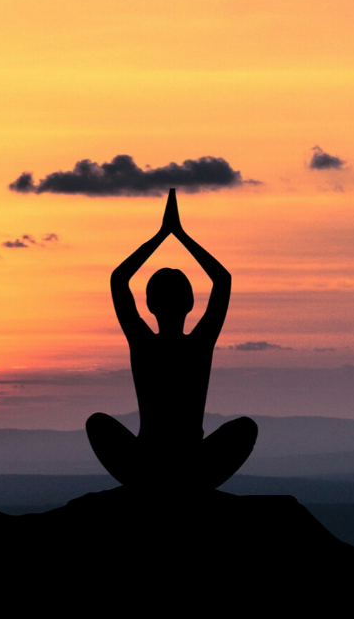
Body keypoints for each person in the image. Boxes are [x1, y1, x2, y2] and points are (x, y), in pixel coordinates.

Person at [86, 188, 257, 490]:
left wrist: (164, 235)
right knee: (245, 429)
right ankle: (183, 485)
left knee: (97, 424)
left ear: (149, 305)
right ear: (191, 303)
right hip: (190, 463)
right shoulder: (198, 343)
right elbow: (222, 280)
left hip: (149, 463)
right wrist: (178, 234)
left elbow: (119, 279)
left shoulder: (144, 341)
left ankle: (155, 485)